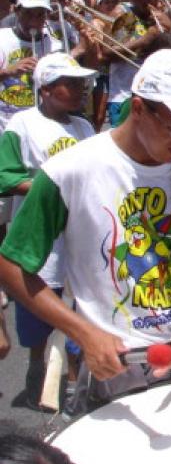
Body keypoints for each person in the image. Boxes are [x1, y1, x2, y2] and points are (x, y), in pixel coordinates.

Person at [0, 49, 171, 411]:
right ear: (138, 109)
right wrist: (83, 333)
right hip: (112, 363)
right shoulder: (70, 171)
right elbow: (11, 265)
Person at [0, 53, 97, 408]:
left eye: (82, 84)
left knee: (80, 305)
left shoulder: (84, 128)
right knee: (39, 307)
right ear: (46, 89)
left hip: (78, 230)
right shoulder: (22, 125)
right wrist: (49, 186)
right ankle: (36, 367)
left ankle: (74, 385)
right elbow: (5, 176)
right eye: (71, 84)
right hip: (42, 233)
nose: (82, 90)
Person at [0, 0, 63, 131]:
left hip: (38, 127)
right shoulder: (2, 38)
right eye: (28, 14)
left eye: (40, 15)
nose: (34, 22)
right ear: (16, 11)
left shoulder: (54, 45)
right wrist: (9, 71)